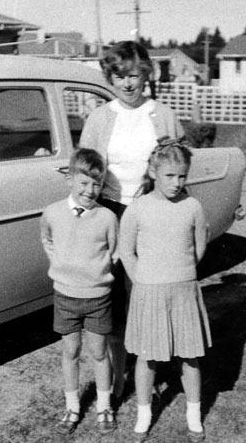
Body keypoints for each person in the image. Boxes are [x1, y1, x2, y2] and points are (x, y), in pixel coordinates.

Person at [79, 40, 186, 403]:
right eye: (119, 76)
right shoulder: (99, 118)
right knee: (111, 297)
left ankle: (148, 371)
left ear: (146, 75)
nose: (127, 84)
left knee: (147, 293)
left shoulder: (163, 114)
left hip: (149, 213)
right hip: (109, 211)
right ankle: (119, 373)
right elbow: (86, 172)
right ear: (110, 77)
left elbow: (178, 167)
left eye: (134, 75)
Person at [119, 139, 211, 443]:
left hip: (183, 291)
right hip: (149, 293)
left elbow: (198, 247)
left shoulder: (192, 206)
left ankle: (194, 416)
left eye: (182, 176)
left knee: (190, 357)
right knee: (147, 358)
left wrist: (180, 273)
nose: (176, 183)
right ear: (153, 172)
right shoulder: (137, 208)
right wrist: (142, 280)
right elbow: (126, 251)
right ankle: (144, 415)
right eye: (169, 176)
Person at [39, 148, 118, 435]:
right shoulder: (52, 213)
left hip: (98, 297)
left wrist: (97, 272)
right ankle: (72, 407)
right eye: (84, 183)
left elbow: (114, 250)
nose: (90, 190)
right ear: (70, 179)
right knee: (70, 351)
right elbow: (47, 239)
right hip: (65, 296)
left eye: (97, 184)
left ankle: (104, 406)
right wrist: (59, 264)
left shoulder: (107, 217)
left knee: (99, 352)